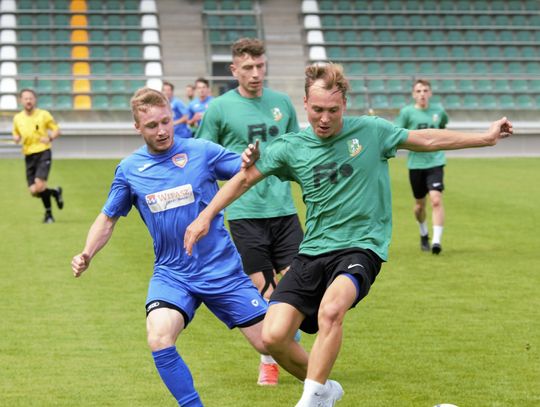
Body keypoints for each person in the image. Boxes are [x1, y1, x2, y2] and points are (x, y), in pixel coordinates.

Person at [184, 63, 513, 406]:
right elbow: (244, 178)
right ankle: (323, 391)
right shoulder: (290, 147)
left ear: (345, 105)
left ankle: (309, 400)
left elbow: (426, 138)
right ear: (305, 104)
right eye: (317, 110)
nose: (324, 119)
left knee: (331, 310)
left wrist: (485, 137)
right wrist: (206, 216)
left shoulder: (371, 131)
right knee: (273, 336)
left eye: (333, 110)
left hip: (361, 247)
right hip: (312, 250)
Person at [71, 88, 283, 406]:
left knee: (274, 343)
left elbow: (244, 170)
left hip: (221, 271)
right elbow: (108, 218)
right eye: (152, 125)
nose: (162, 131)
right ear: (137, 128)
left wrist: (247, 159)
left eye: (166, 122)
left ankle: (322, 388)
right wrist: (87, 252)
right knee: (158, 336)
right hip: (173, 274)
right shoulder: (129, 170)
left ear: (172, 117)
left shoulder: (201, 151)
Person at [196, 37, 304, 386]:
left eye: (260, 66)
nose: (256, 74)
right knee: (268, 292)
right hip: (244, 213)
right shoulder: (219, 109)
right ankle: (271, 360)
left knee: (295, 291)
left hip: (284, 211)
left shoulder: (282, 103)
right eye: (248, 68)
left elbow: (296, 152)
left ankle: (288, 357)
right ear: (234, 70)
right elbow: (204, 159)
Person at [395, 79, 449, 254]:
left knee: (436, 199)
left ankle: (436, 241)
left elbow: (441, 129)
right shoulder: (407, 113)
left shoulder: (439, 112)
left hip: (435, 162)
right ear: (413, 94)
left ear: (430, 93)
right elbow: (397, 134)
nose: (422, 94)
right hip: (416, 165)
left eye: (425, 90)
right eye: (418, 91)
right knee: (419, 206)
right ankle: (423, 232)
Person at [12, 88, 64, 224]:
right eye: (25, 98)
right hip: (28, 155)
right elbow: (16, 133)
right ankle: (55, 192)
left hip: (43, 152)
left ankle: (49, 215)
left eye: (31, 98)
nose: (28, 101)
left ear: (35, 100)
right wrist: (16, 137)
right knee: (34, 191)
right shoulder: (18, 118)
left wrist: (50, 138)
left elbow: (57, 130)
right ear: (21, 101)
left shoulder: (44, 115)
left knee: (40, 186)